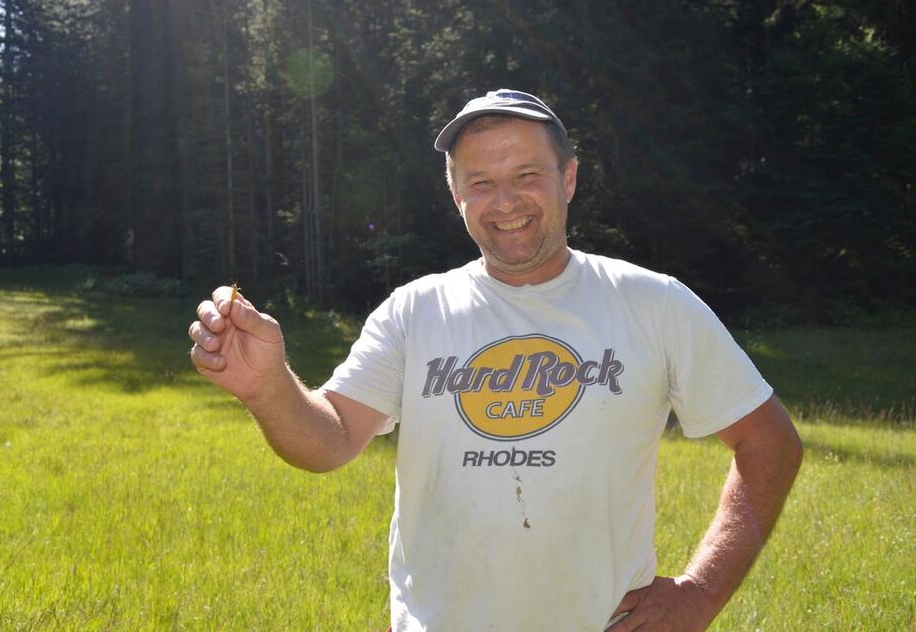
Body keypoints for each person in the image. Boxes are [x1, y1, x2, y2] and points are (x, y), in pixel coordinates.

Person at [188, 89, 803, 632]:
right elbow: (330, 440)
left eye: (527, 174)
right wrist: (267, 388)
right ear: (456, 195)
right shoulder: (415, 311)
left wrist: (698, 593)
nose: (504, 201)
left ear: (568, 178)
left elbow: (769, 440)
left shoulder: (653, 303)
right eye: (480, 182)